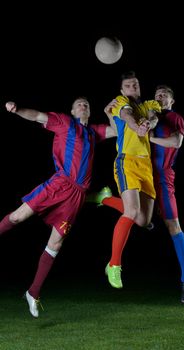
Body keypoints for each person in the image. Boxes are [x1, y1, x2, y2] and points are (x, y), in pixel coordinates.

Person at [0, 97, 116, 317]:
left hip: (77, 196)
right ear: (72, 110)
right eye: (80, 104)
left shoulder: (94, 132)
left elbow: (118, 131)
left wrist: (110, 112)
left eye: (87, 105)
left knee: (56, 242)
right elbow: (36, 116)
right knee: (16, 218)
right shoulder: (64, 123)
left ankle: (33, 293)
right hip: (59, 184)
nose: (84, 106)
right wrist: (17, 109)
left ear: (89, 112)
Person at [87, 70, 161, 289]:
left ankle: (105, 198)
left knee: (143, 220)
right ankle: (114, 265)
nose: (133, 88)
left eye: (135, 84)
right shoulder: (120, 102)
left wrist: (149, 122)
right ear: (122, 90)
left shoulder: (150, 105)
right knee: (130, 212)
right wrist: (137, 125)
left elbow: (154, 116)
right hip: (126, 161)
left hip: (145, 165)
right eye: (128, 85)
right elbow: (127, 115)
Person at [149, 84, 184, 303]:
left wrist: (151, 139)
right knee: (135, 214)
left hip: (163, 176)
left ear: (171, 101)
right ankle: (106, 199)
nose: (160, 96)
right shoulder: (147, 116)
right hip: (142, 174)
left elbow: (176, 142)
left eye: (165, 94)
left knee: (173, 226)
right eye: (157, 94)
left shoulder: (174, 117)